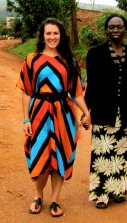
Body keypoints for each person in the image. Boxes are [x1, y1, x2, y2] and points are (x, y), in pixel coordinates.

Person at [16, 17, 91, 217]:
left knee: (60, 156)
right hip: (39, 113)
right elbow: (26, 91)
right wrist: (26, 119)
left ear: (61, 36)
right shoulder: (32, 59)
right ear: (42, 36)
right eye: (48, 33)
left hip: (63, 115)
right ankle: (38, 195)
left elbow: (76, 93)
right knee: (40, 156)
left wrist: (86, 112)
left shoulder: (69, 61)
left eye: (55, 33)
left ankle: (55, 200)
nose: (52, 37)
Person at [84, 14, 127, 209]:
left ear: (125, 30)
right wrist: (87, 110)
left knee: (122, 152)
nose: (115, 30)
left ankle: (119, 190)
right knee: (103, 152)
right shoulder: (95, 53)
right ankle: (102, 194)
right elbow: (93, 84)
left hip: (126, 112)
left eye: (119, 27)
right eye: (111, 27)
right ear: (106, 30)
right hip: (103, 110)